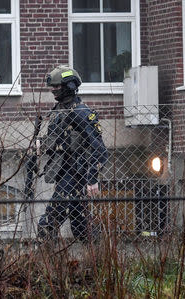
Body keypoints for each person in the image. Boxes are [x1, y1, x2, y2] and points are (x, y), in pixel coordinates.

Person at [37, 65, 108, 242]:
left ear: (68, 86)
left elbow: (99, 149)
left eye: (57, 87)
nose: (53, 91)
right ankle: (97, 260)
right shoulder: (58, 111)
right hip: (63, 174)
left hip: (76, 175)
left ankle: (43, 265)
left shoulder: (81, 112)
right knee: (82, 227)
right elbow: (60, 140)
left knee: (48, 223)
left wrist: (92, 178)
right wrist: (42, 144)